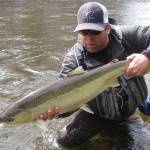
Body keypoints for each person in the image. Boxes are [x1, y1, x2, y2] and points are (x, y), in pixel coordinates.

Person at [39, 2, 150, 149]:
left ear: (107, 28)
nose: (89, 37)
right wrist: (56, 112)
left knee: (143, 146)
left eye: (95, 31)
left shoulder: (127, 36)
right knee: (63, 141)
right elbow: (68, 102)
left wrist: (147, 57)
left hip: (128, 112)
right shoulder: (73, 60)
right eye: (84, 32)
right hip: (95, 113)